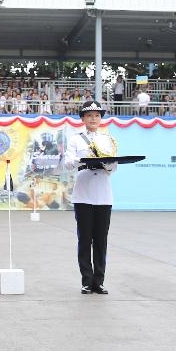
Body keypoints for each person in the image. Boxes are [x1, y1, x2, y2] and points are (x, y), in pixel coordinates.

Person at [63, 100, 117, 295]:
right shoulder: (76, 139)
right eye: (89, 115)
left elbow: (113, 167)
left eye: (97, 115)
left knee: (101, 240)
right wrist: (84, 160)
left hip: (103, 195)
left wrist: (105, 164)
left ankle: (99, 281)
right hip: (83, 195)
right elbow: (68, 163)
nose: (93, 119)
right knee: (85, 239)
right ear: (83, 119)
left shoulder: (107, 139)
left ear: (101, 119)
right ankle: (86, 281)